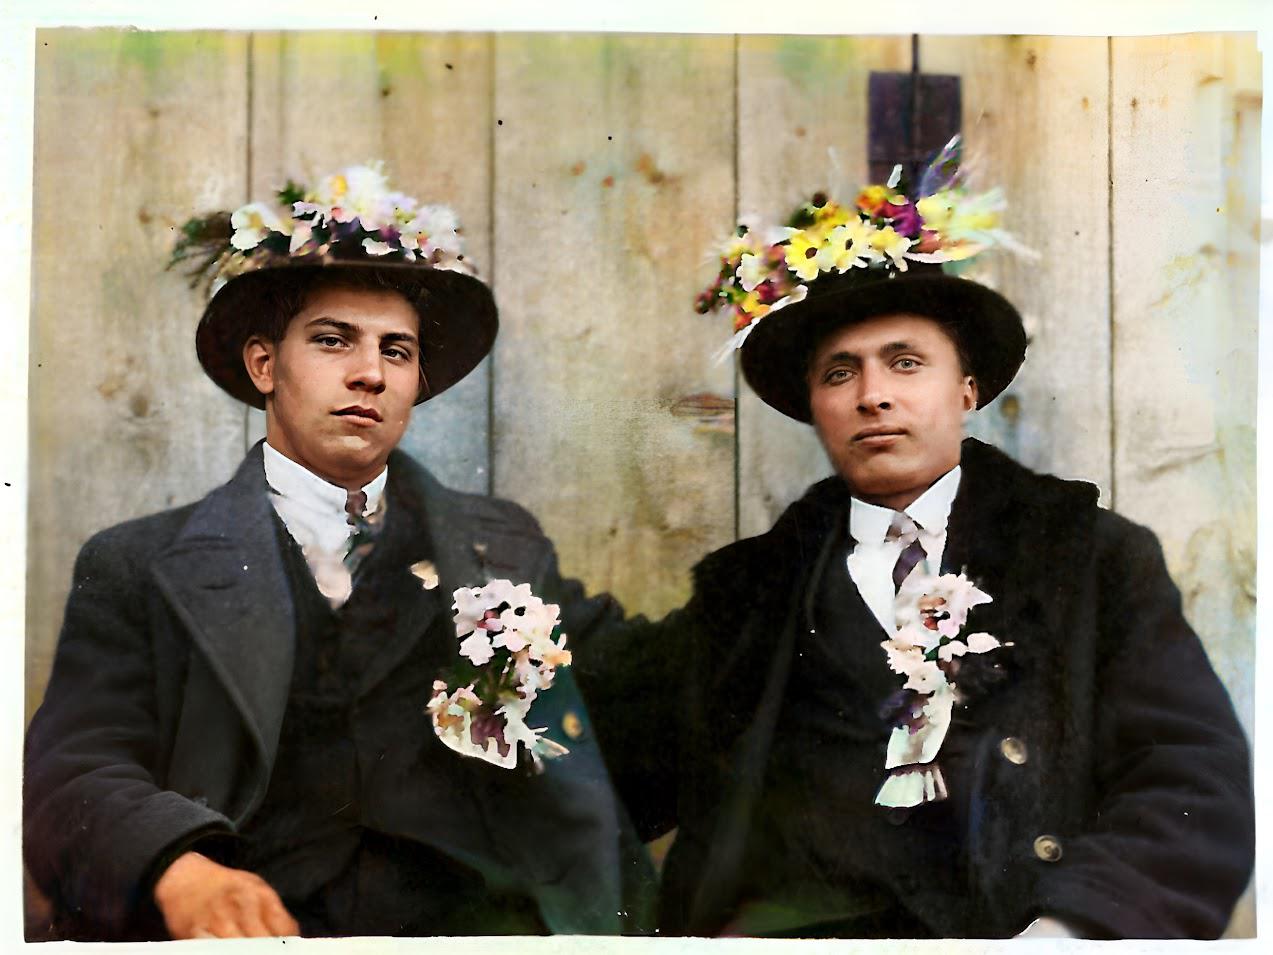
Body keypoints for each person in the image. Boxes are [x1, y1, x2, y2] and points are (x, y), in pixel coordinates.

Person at [576, 154, 1255, 939]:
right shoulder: (747, 596)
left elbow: (1189, 781)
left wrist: (1069, 930)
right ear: (815, 406)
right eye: (839, 373)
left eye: (904, 363)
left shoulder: (1087, 561)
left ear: (965, 389)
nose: (872, 394)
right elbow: (595, 758)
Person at [24, 164, 651, 941]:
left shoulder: (502, 548)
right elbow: (73, 769)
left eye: (397, 350)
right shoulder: (139, 565)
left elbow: (634, 698)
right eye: (332, 340)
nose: (369, 373)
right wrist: (179, 867)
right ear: (264, 364)